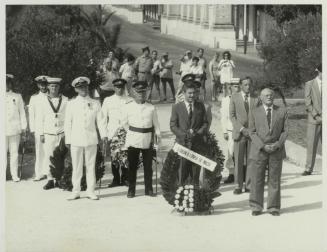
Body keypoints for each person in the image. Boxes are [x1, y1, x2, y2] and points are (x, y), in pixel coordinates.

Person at [65, 77, 106, 200]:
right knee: (76, 166)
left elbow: (101, 121)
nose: (83, 89)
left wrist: (104, 136)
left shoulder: (95, 103)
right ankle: (76, 190)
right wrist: (68, 140)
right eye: (80, 87)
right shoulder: (71, 104)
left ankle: (90, 190)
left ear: (88, 87)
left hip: (91, 139)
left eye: (85, 87)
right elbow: (68, 123)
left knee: (90, 166)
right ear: (76, 89)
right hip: (76, 139)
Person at [249, 87, 288, 216]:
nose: (269, 97)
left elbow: (285, 131)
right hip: (260, 150)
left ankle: (274, 207)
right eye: (266, 95)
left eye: (271, 95)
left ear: (274, 97)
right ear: (260, 97)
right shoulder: (254, 111)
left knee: (274, 179)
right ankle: (256, 206)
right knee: (257, 179)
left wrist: (277, 144)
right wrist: (262, 146)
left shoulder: (281, 111)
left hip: (276, 150)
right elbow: (252, 132)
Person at [121, 81, 161, 198]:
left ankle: (148, 189)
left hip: (147, 139)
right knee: (132, 166)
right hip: (133, 139)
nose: (141, 95)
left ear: (146, 92)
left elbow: (156, 125)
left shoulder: (151, 107)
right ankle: (131, 190)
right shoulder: (128, 106)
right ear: (134, 92)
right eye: (138, 92)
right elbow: (124, 123)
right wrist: (132, 132)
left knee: (148, 167)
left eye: (143, 92)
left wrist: (158, 139)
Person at [170, 80, 208, 186]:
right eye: (189, 93)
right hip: (182, 145)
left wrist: (197, 133)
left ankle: (195, 197)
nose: (192, 95)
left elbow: (205, 123)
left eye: (194, 93)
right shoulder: (177, 107)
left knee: (195, 174)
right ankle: (181, 196)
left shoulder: (200, 106)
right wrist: (185, 135)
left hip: (197, 145)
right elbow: (173, 126)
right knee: (181, 174)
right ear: (184, 93)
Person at [102, 78, 132, 187]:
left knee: (125, 155)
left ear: (124, 87)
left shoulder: (130, 100)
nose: (119, 89)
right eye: (117, 87)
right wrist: (104, 134)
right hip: (113, 132)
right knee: (114, 156)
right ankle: (115, 179)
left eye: (121, 87)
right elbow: (103, 118)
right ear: (114, 88)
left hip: (126, 131)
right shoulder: (108, 100)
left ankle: (125, 178)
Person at [229, 77, 257, 194]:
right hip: (239, 133)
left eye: (249, 84)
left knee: (251, 159)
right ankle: (238, 185)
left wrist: (252, 130)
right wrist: (241, 129)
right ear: (240, 85)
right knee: (239, 160)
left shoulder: (256, 98)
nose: (248, 87)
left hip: (252, 133)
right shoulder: (234, 97)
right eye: (245, 85)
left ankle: (249, 185)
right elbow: (232, 116)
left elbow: (259, 115)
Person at [40, 77, 69, 190]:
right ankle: (50, 179)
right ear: (48, 87)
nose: (54, 88)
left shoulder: (66, 100)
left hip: (62, 132)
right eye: (52, 86)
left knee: (62, 156)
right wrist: (41, 134)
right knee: (49, 156)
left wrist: (67, 132)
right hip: (49, 133)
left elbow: (68, 117)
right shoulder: (43, 101)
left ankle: (60, 179)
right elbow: (40, 119)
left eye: (56, 86)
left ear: (59, 87)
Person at [5, 74, 27, 182]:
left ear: (10, 84)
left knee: (14, 153)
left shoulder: (17, 96)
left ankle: (14, 175)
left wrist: (24, 127)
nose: (5, 85)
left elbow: (22, 113)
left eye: (7, 83)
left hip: (14, 129)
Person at [303, 64, 322, 176]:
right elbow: (308, 103)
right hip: (314, 119)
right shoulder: (309, 84)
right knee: (311, 145)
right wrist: (317, 115)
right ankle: (308, 168)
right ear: (318, 72)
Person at [28, 75, 49, 181]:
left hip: (50, 128)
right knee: (39, 150)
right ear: (38, 85)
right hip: (39, 128)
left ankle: (48, 172)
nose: (43, 87)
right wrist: (33, 129)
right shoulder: (34, 98)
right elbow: (31, 114)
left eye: (45, 85)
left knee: (49, 150)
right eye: (41, 85)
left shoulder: (51, 96)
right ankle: (39, 173)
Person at [220, 78, 240, 184]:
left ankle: (242, 173)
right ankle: (231, 173)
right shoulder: (225, 100)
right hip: (230, 129)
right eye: (234, 86)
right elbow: (223, 117)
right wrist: (224, 131)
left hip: (242, 130)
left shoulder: (243, 98)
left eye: (238, 86)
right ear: (230, 88)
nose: (237, 88)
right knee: (231, 151)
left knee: (242, 152)